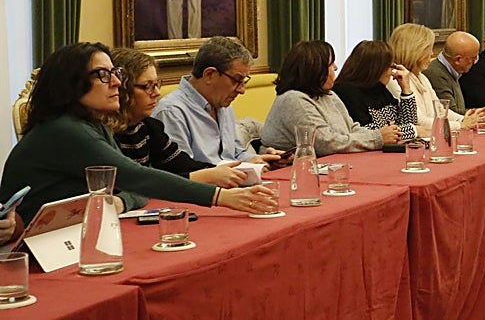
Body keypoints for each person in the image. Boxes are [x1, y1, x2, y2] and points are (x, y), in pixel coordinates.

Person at [0, 42, 274, 220]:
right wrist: (221, 198)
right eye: (103, 75)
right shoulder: (64, 131)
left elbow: (132, 186)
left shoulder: (93, 125)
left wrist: (118, 202)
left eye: (115, 72)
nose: (117, 82)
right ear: (71, 84)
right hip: (26, 248)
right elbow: (137, 177)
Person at [108, 48, 246, 187]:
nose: (156, 93)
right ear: (121, 90)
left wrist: (226, 172)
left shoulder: (149, 127)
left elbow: (181, 165)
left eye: (156, 84)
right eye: (146, 86)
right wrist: (210, 175)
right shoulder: (105, 134)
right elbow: (137, 182)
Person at [261, 41, 405, 156]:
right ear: (316, 69)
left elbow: (351, 128)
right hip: (292, 172)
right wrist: (377, 138)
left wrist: (387, 135)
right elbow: (325, 143)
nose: (336, 68)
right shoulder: (293, 99)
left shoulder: (328, 94)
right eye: (331, 64)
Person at [155, 36, 281, 166]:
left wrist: (258, 160)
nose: (242, 90)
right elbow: (181, 173)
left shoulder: (224, 105)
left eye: (244, 81)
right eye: (237, 80)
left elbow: (235, 154)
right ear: (209, 75)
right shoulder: (171, 112)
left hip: (235, 182)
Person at [388, 23, 485, 135]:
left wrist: (464, 119)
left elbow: (440, 110)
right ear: (415, 51)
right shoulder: (395, 79)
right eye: (428, 49)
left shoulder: (421, 77)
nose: (432, 54)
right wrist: (461, 125)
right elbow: (419, 121)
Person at [331, 39, 420, 140]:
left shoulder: (379, 88)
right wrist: (415, 130)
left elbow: (408, 123)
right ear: (377, 69)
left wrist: (406, 89)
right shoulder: (346, 92)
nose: (392, 72)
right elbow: (370, 134)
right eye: (391, 67)